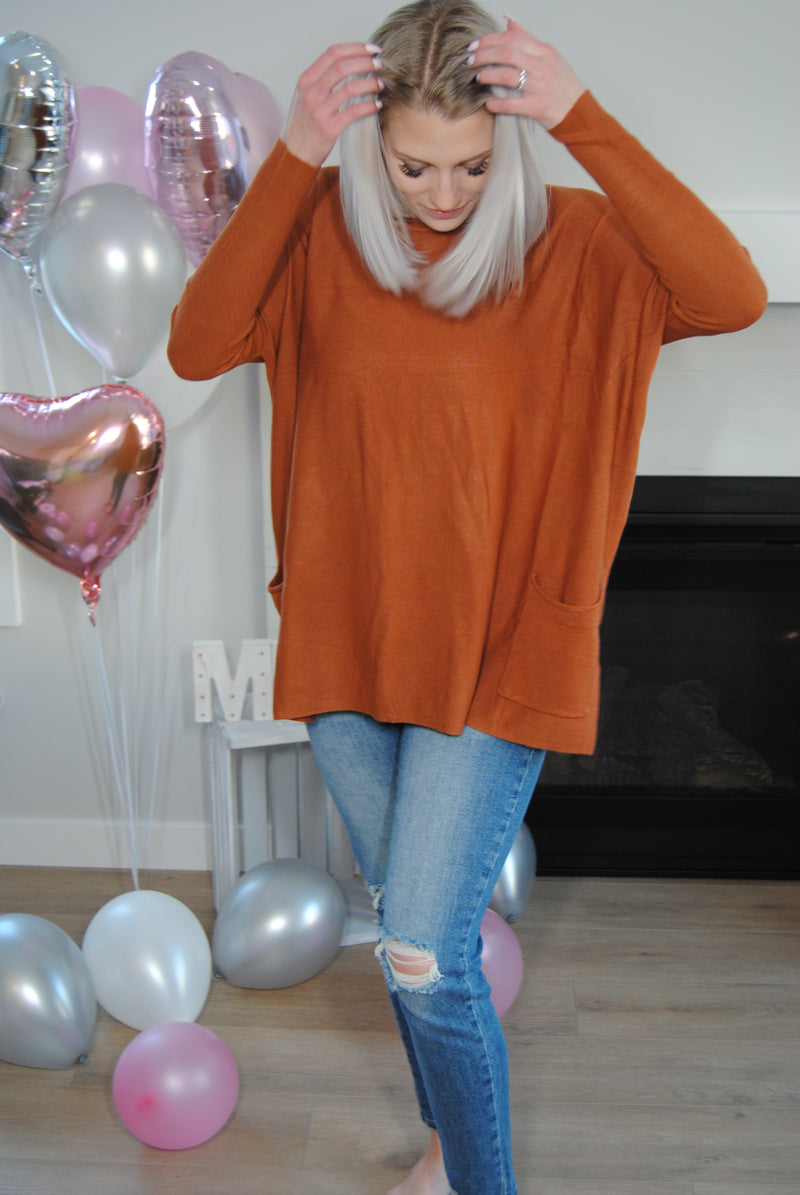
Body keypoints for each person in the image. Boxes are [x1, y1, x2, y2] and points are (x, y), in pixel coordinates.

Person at [167, 3, 767, 1191]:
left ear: (510, 146)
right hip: (347, 645)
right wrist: (294, 151)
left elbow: (733, 293)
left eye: (472, 166)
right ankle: (446, 1150)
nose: (442, 196)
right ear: (369, 147)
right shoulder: (317, 234)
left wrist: (579, 114)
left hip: (500, 652)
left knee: (418, 950)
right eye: (412, 167)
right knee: (412, 936)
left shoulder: (573, 244)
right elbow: (196, 347)